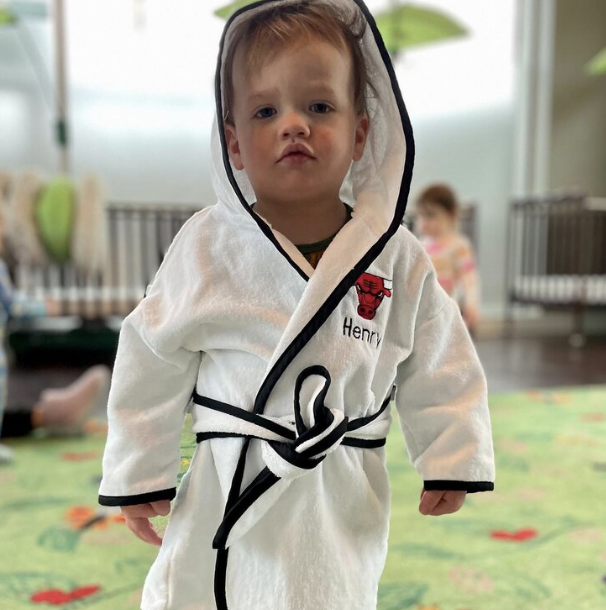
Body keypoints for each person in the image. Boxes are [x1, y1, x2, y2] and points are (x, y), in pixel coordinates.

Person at [98, 2, 495, 609]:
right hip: (231, 481)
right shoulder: (208, 245)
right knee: (206, 589)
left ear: (360, 134)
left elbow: (442, 358)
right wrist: (138, 469)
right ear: (234, 142)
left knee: (330, 590)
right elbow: (151, 356)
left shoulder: (396, 256)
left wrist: (451, 453)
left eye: (319, 107)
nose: (293, 125)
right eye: (265, 111)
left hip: (340, 485)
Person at [415, 183, 480, 333]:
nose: (423, 222)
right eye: (420, 216)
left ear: (451, 214)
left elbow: (469, 278)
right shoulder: (420, 245)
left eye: (430, 215)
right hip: (422, 305)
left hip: (446, 305)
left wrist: (471, 303)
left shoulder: (458, 245)